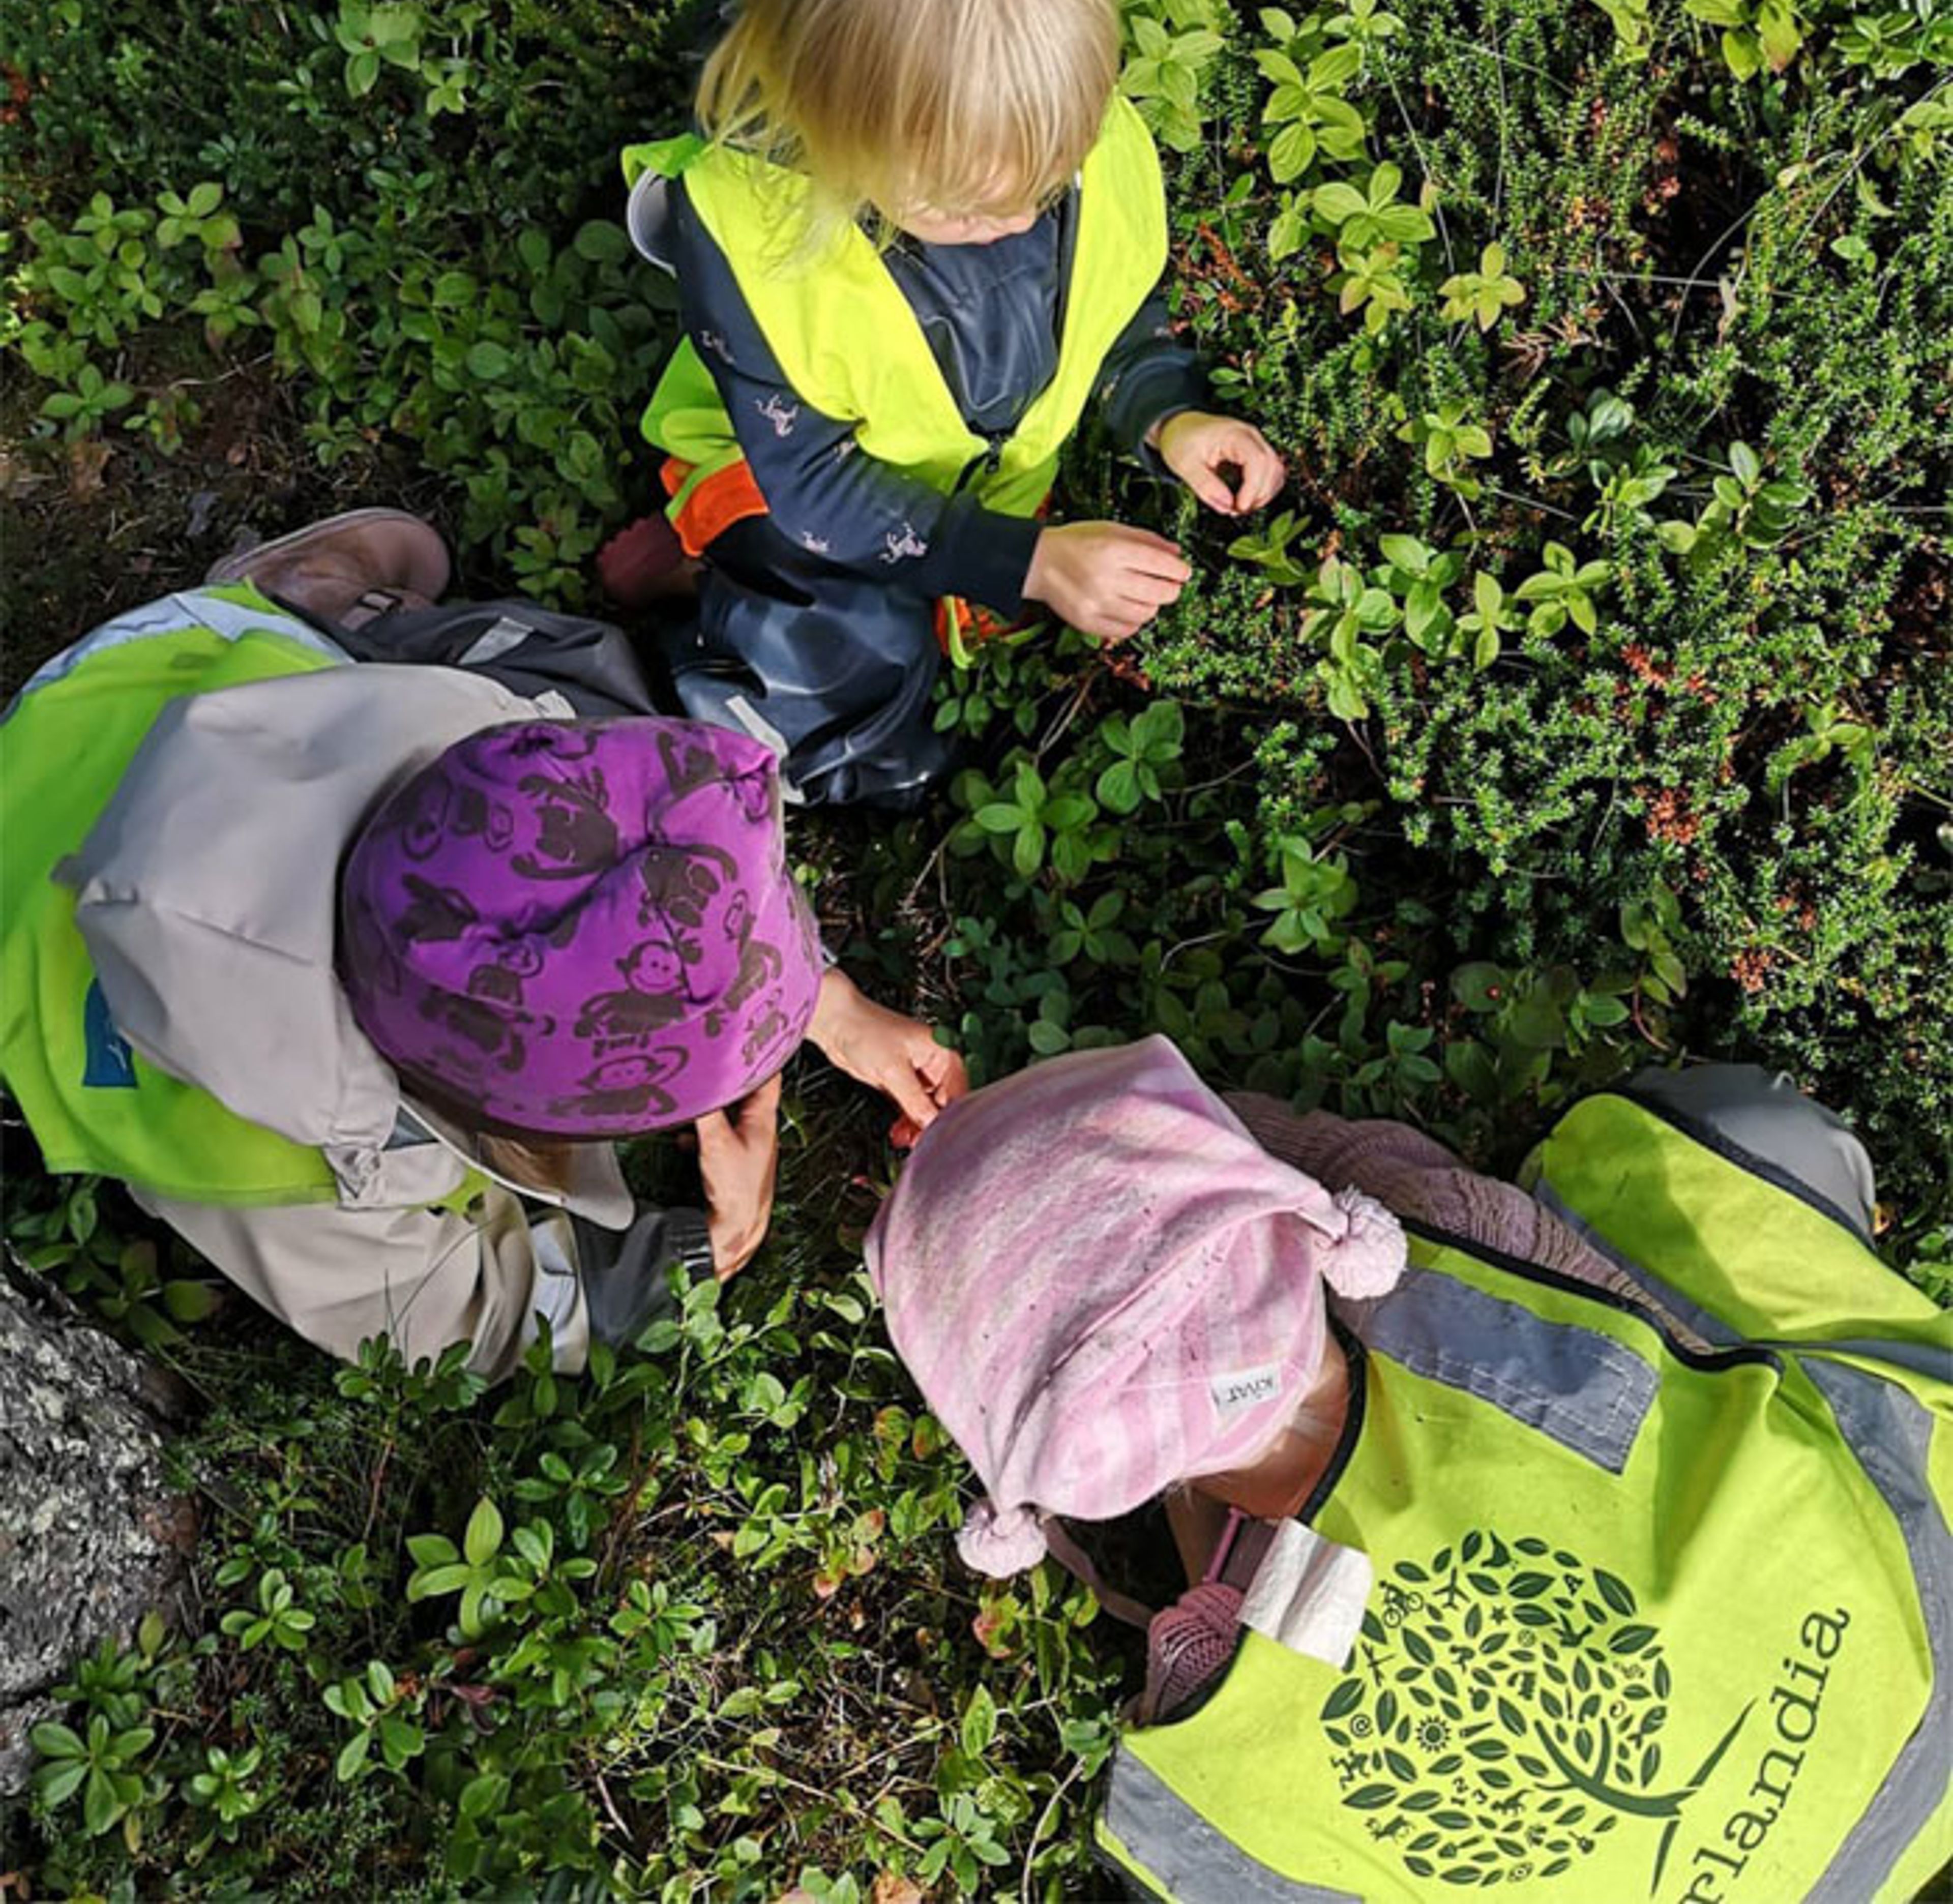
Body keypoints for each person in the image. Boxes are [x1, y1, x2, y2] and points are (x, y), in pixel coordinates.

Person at [867, 1038, 1953, 1902]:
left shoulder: (1213, 1674)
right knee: (1743, 1132)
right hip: (1927, 1657)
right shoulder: (1448, 1265)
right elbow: (1286, 1153)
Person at [0, 509, 966, 1380]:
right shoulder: (289, 1168)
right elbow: (458, 1312)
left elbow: (658, 848)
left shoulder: (490, 758)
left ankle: (321, 603)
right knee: (575, 683)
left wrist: (828, 1010)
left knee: (578, 690)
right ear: (509, 1123)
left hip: (134, 690)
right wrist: (700, 1248)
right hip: (41, 909)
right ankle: (331, 597)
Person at [606, 0, 1286, 807]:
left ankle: (729, 571)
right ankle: (713, 592)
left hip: (960, 483)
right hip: (785, 479)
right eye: (959, 208)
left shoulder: (1052, 136)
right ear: (821, 121)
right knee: (850, 674)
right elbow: (811, 482)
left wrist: (1166, 415)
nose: (1012, 224)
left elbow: (1113, 310)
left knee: (945, 604)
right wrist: (1028, 564)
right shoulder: (749, 232)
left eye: (1045, 188)